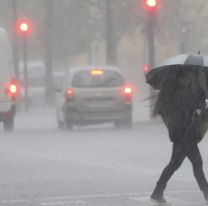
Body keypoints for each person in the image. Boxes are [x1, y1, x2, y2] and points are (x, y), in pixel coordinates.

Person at [151, 69, 208, 204]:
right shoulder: (179, 93)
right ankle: (207, 193)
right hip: (184, 133)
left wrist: (201, 104)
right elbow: (188, 111)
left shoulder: (189, 91)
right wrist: (198, 108)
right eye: (188, 76)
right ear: (181, 78)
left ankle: (157, 192)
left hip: (184, 133)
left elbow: (197, 109)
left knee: (174, 164)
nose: (190, 78)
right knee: (197, 164)